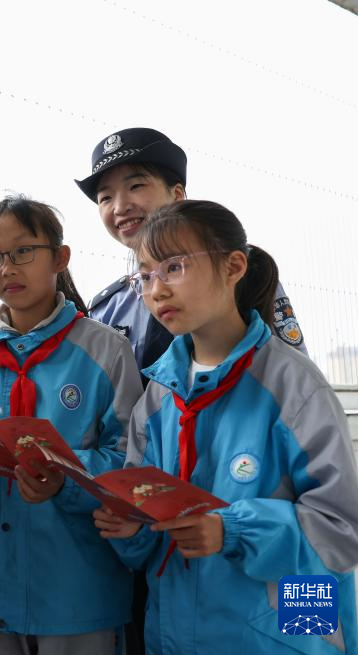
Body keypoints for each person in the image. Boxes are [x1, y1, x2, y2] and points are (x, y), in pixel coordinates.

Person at [93, 200, 358, 653]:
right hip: (176, 637)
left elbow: (341, 529)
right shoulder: (157, 398)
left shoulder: (293, 385)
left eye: (174, 267)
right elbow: (149, 536)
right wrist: (131, 529)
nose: (157, 290)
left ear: (233, 266)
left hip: (277, 636)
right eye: (146, 276)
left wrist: (233, 530)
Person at [0, 195, 141, 655]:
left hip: (79, 589)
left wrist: (64, 480)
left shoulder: (106, 351)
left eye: (23, 251)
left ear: (60, 258)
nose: (7, 267)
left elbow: (133, 463)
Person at [76, 127, 307, 373]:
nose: (120, 207)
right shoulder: (108, 309)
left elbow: (293, 374)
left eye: (136, 186)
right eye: (106, 198)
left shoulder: (233, 271)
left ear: (177, 194)